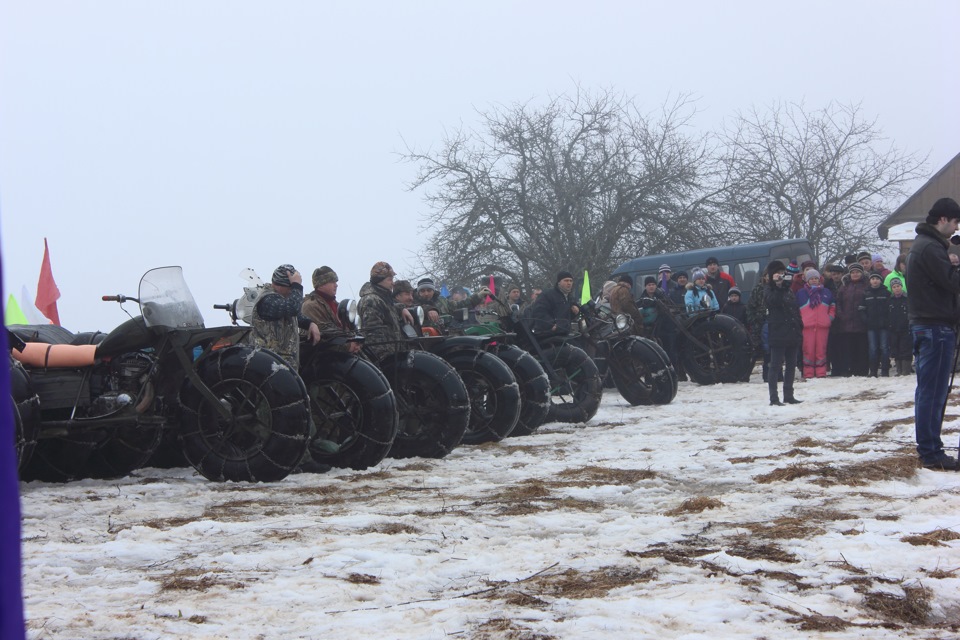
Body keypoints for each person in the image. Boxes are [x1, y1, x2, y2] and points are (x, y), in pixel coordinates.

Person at [906, 197, 960, 471]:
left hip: (930, 324)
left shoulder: (926, 245)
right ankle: (930, 452)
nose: (955, 229)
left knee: (930, 390)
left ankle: (930, 448)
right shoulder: (929, 247)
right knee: (932, 392)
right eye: (954, 222)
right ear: (942, 220)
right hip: (934, 326)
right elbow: (952, 282)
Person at [248, 264, 321, 371]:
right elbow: (292, 308)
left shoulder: (281, 300)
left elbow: (294, 316)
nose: (292, 291)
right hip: (269, 367)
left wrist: (310, 323)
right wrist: (297, 285)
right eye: (290, 287)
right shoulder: (268, 300)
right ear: (278, 285)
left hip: (284, 367)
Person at [358, 261, 414, 363]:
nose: (393, 283)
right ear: (380, 280)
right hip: (385, 360)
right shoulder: (371, 300)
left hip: (395, 355)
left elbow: (387, 310)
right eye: (390, 279)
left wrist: (402, 308)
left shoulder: (383, 297)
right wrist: (386, 361)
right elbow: (373, 335)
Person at [764, 260, 802, 405]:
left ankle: (789, 395)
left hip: (792, 331)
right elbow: (773, 302)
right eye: (777, 273)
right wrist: (778, 287)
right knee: (775, 366)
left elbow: (794, 308)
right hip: (778, 332)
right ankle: (774, 398)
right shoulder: (768, 289)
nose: (780, 275)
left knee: (791, 365)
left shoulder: (788, 289)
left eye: (782, 272)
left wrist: (799, 325)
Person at [301, 266, 361, 354]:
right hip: (321, 359)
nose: (336, 285)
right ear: (321, 284)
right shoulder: (310, 306)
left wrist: (357, 342)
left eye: (336, 282)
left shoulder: (337, 305)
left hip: (342, 356)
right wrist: (348, 346)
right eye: (332, 281)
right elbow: (324, 333)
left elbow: (348, 330)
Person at [795, 269, 834, 379]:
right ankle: (808, 373)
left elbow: (833, 306)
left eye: (816, 278)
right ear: (807, 280)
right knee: (808, 350)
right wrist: (800, 321)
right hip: (807, 326)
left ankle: (821, 372)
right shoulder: (801, 293)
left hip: (822, 326)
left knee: (821, 350)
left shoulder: (826, 292)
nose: (814, 280)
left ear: (819, 279)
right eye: (811, 278)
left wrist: (829, 318)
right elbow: (796, 309)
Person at [833, 264, 869, 376]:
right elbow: (838, 302)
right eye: (853, 272)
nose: (855, 274)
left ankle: (862, 370)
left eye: (857, 272)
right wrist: (841, 315)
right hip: (846, 323)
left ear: (861, 273)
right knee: (849, 348)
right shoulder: (844, 286)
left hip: (862, 323)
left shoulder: (866, 286)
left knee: (862, 348)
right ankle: (850, 369)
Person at [860, 272, 891, 376]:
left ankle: (885, 370)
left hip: (884, 326)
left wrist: (887, 321)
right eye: (873, 278)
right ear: (870, 281)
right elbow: (861, 309)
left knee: (884, 348)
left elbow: (890, 309)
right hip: (871, 326)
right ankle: (873, 371)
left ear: (880, 281)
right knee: (872, 348)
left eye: (877, 278)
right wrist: (866, 320)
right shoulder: (865, 293)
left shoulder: (886, 293)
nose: (875, 280)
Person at [887, 277, 912, 376]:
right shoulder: (890, 300)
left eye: (898, 286)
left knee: (905, 348)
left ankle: (906, 370)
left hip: (906, 328)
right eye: (894, 287)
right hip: (893, 328)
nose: (896, 288)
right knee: (895, 349)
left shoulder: (907, 299)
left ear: (901, 286)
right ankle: (899, 370)